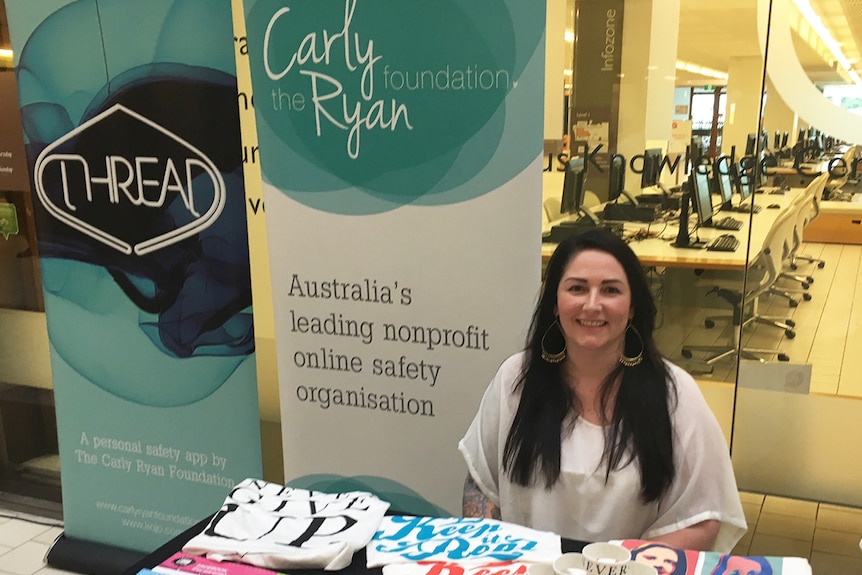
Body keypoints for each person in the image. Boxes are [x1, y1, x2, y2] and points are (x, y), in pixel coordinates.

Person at [458, 228, 746, 552]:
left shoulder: (674, 394)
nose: (592, 305)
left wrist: (606, 566)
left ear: (632, 306)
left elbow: (703, 520)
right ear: (554, 303)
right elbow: (480, 487)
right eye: (577, 288)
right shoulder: (515, 379)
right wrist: (494, 559)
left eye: (610, 290)